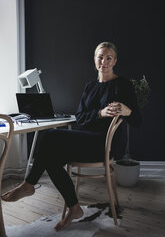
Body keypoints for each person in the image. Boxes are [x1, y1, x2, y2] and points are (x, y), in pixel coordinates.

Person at [1, 42, 141, 231]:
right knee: (51, 161)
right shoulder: (90, 87)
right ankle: (74, 208)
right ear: (95, 59)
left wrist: (126, 111)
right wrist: (100, 113)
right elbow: (81, 119)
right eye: (100, 57)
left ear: (115, 61)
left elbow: (138, 121)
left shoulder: (123, 85)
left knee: (50, 135)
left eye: (109, 58)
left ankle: (29, 184)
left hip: (105, 145)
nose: (104, 61)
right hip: (86, 140)